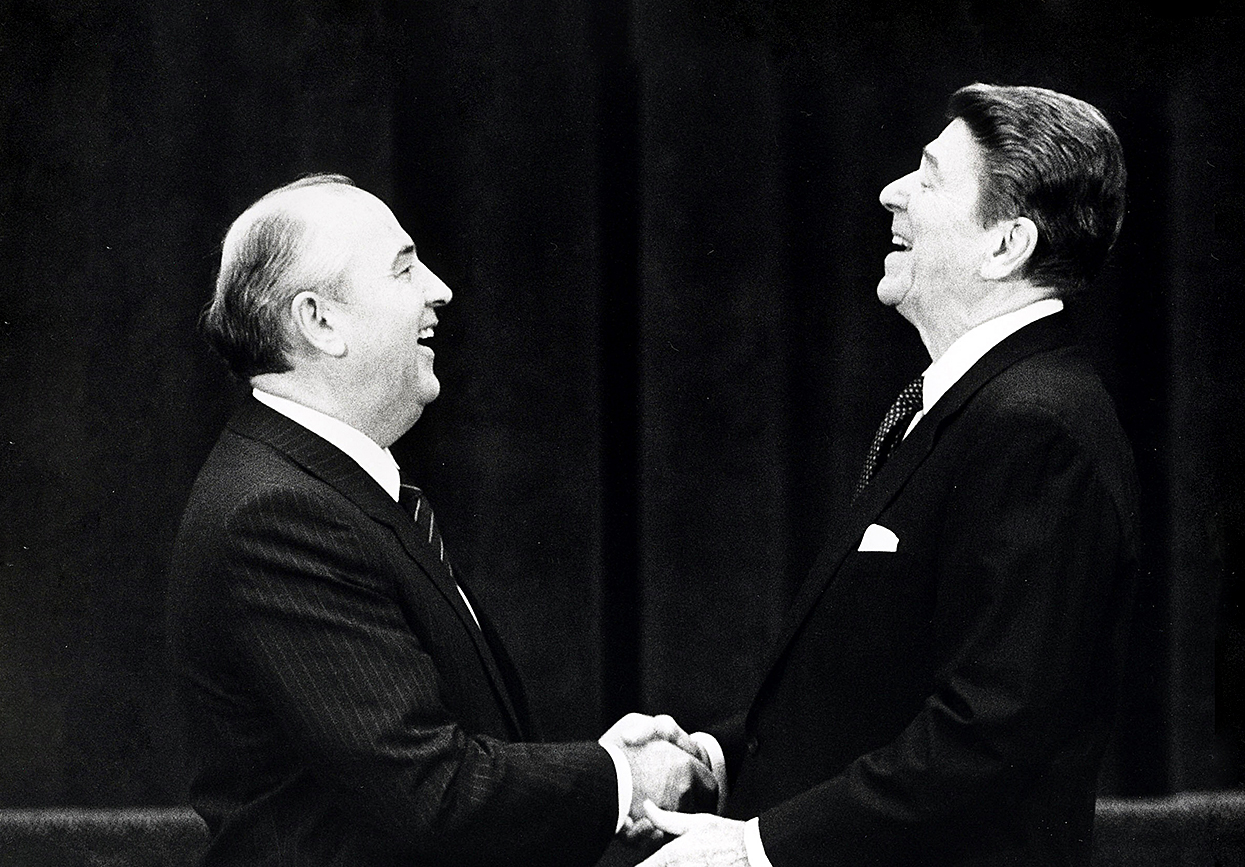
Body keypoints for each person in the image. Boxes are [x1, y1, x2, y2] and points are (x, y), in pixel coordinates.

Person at [637, 84, 1141, 867]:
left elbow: (985, 735)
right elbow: (876, 688)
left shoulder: (1038, 427)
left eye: (929, 176)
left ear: (1005, 245)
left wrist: (752, 850)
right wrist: (715, 757)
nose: (890, 193)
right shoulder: (975, 406)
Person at [165, 175, 714, 867]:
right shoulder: (277, 513)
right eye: (404, 267)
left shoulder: (317, 487)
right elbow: (429, 792)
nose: (441, 289)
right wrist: (623, 777)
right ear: (319, 322)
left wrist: (604, 767)